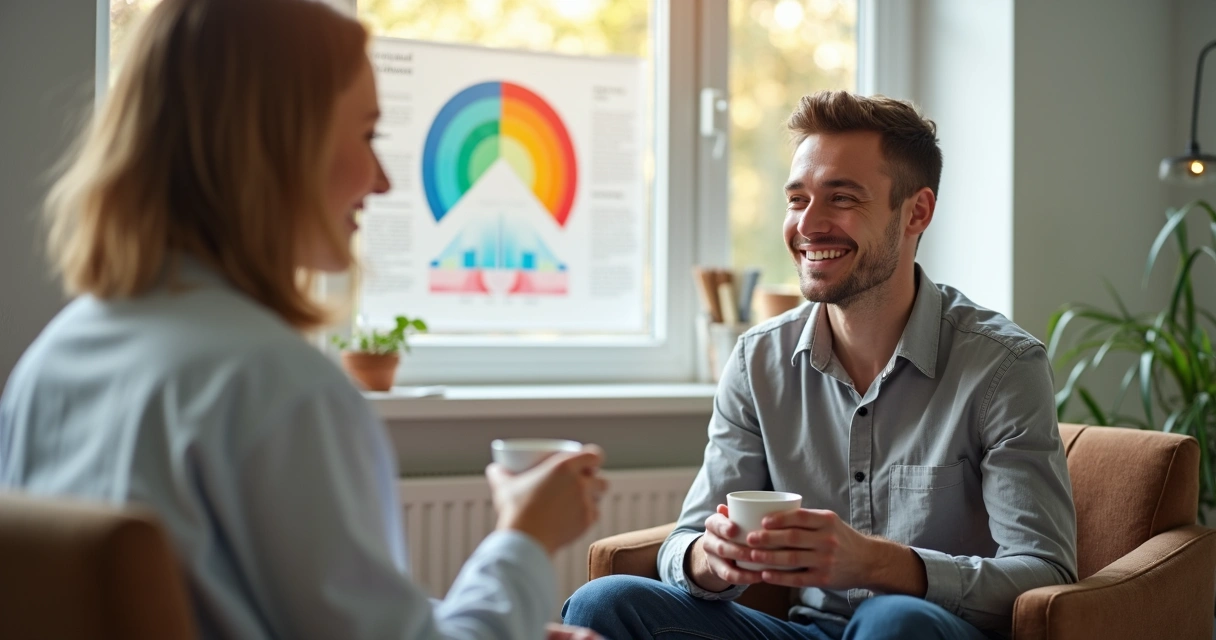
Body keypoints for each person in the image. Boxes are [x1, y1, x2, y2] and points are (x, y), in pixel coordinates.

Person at [0, 1, 605, 639]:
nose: (384, 180)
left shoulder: (50, 364)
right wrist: (525, 538)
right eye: (367, 134)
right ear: (277, 143)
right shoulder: (275, 388)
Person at [563, 91, 1078, 640]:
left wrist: (879, 563)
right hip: (807, 632)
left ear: (916, 212)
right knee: (606, 603)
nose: (809, 225)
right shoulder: (757, 360)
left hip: (927, 631)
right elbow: (686, 539)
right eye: (797, 199)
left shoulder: (1002, 366)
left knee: (893, 620)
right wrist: (709, 559)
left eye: (842, 198)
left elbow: (1042, 573)